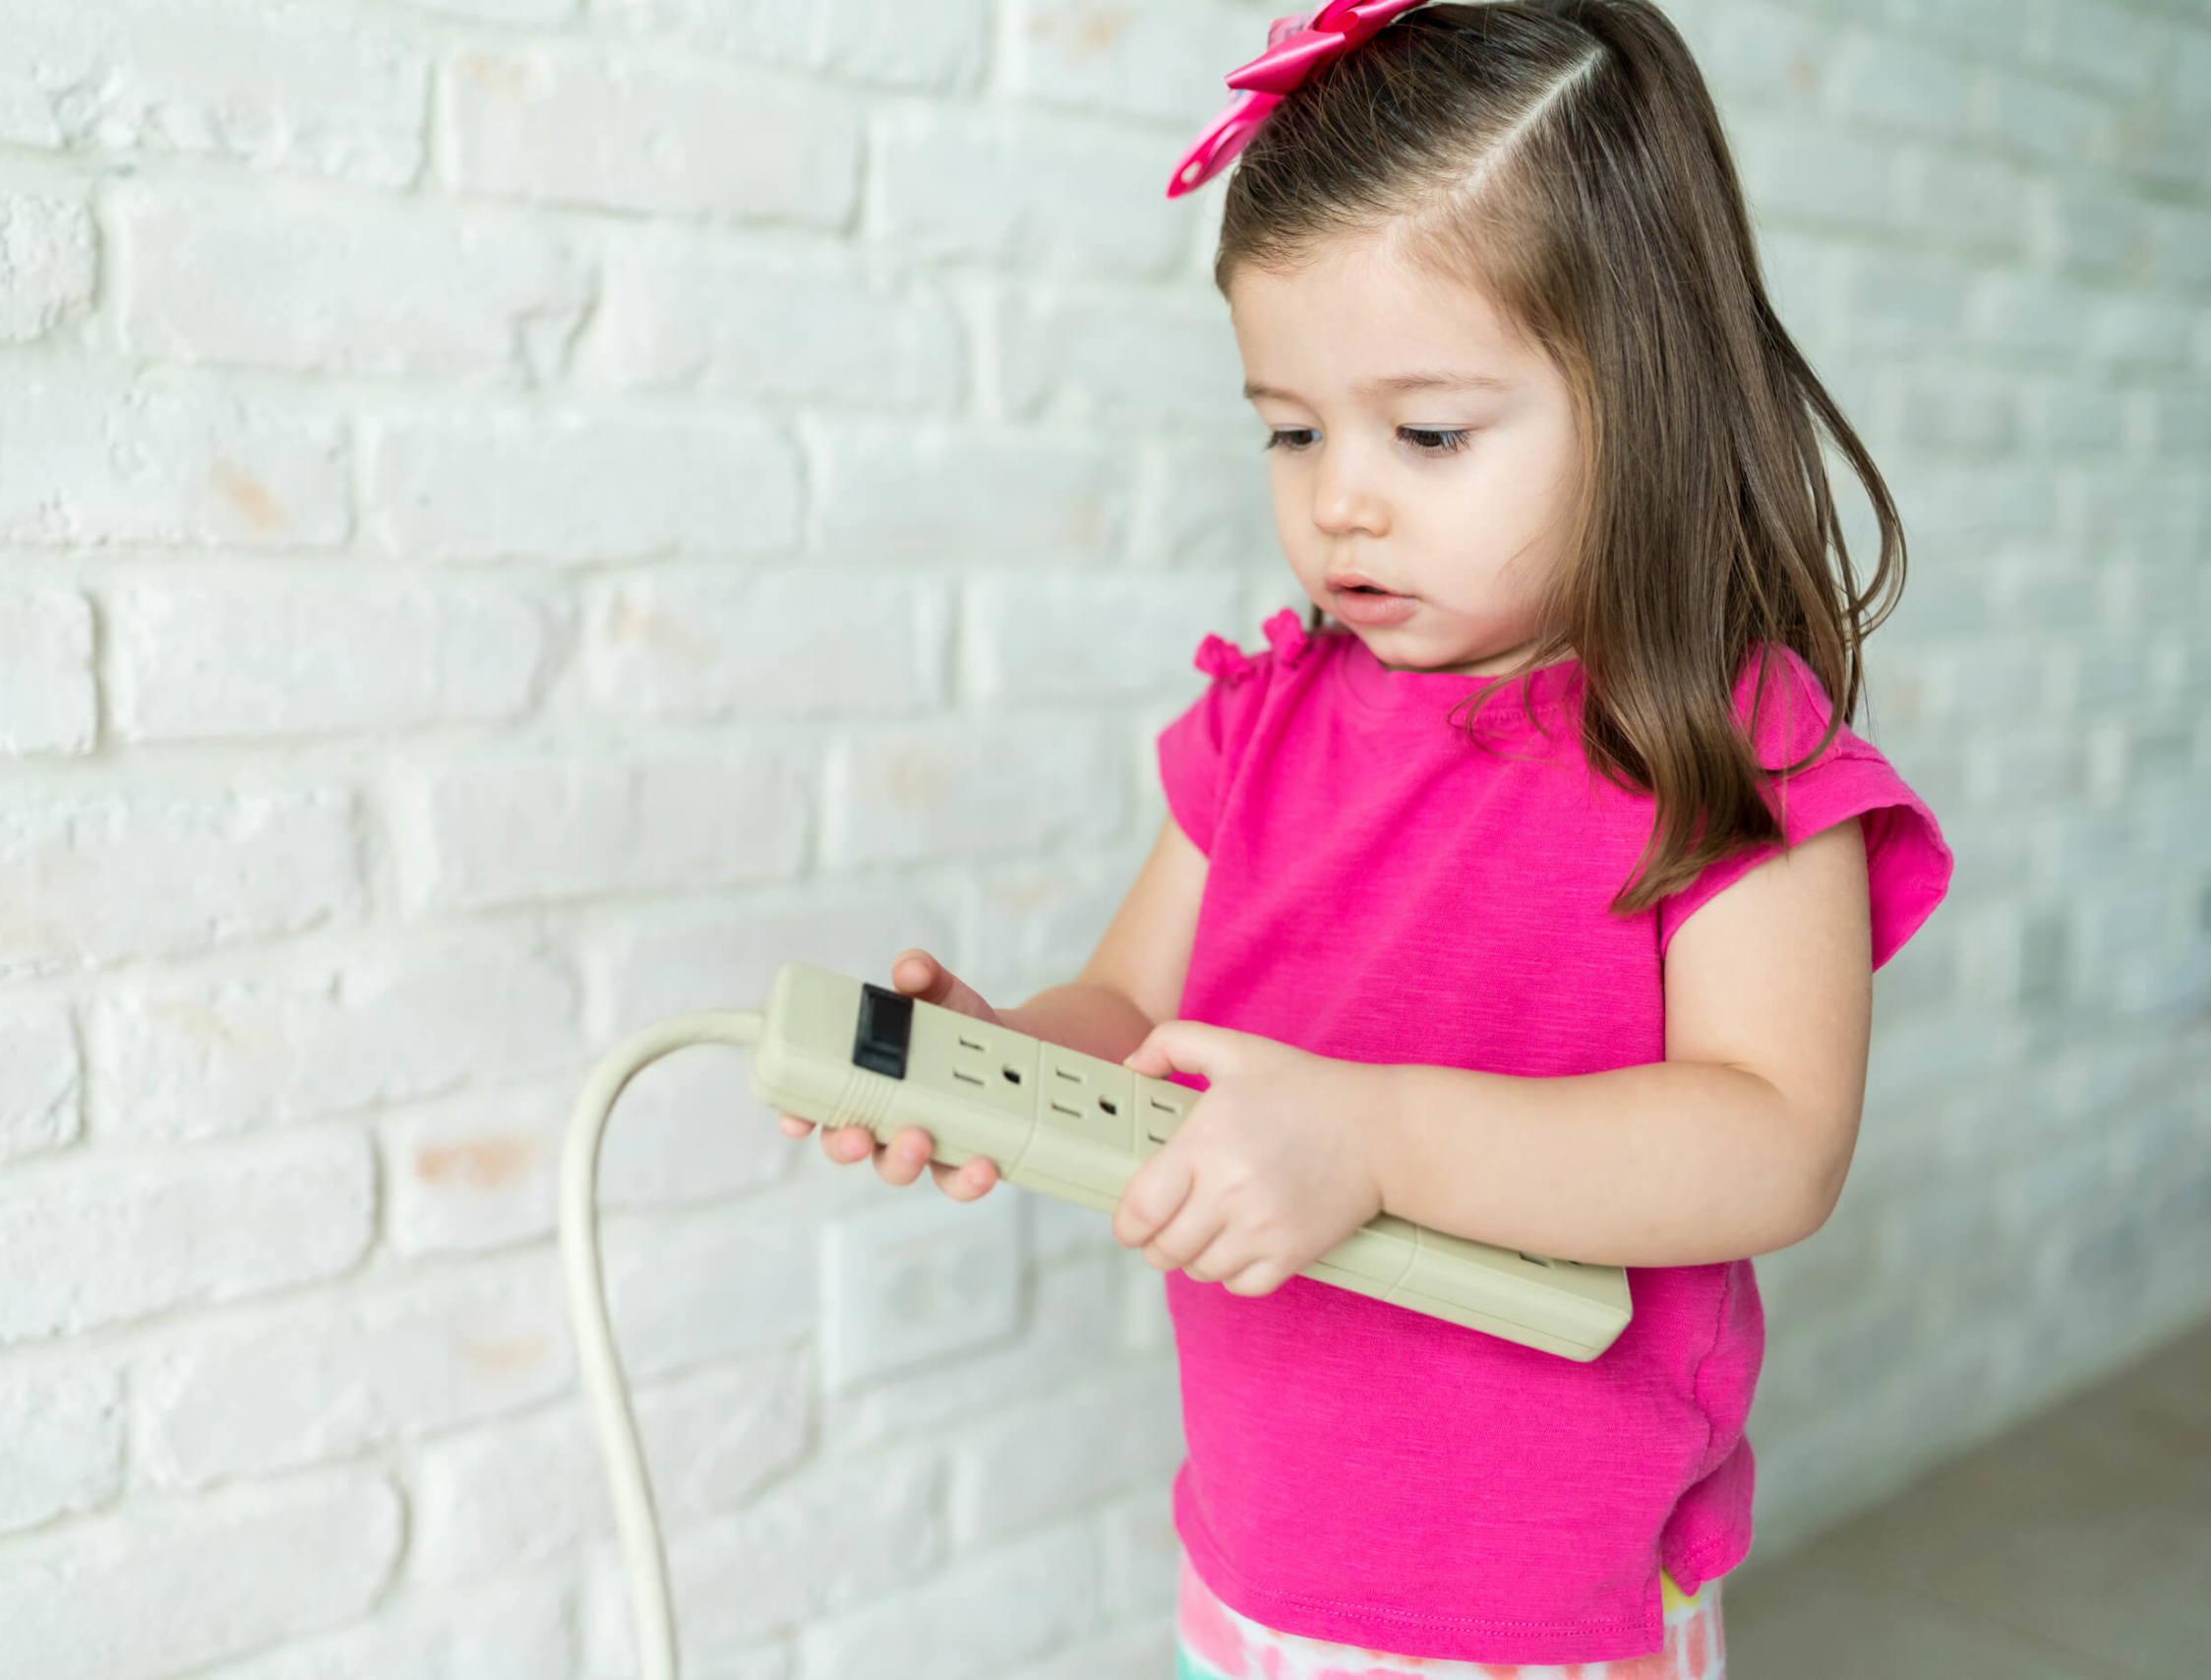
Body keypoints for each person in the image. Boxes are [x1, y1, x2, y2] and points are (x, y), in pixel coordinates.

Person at [776, 0, 1954, 1673]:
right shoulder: (1266, 722)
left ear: (1645, 394)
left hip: (1547, 1612)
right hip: (1257, 1563)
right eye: (1292, 426)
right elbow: (1128, 1007)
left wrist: (1375, 1143)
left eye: (1429, 434)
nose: (1342, 498)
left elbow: (1774, 1141)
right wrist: (1005, 1054)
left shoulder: (1729, 749)